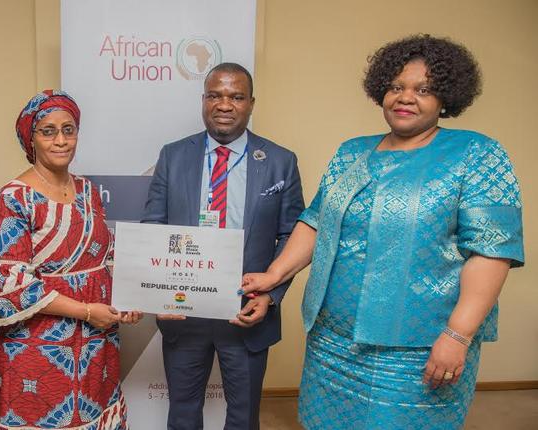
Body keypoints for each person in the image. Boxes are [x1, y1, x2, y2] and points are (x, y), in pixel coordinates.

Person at [242, 35, 524, 429]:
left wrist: (458, 336)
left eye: (423, 89)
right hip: (333, 341)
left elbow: (491, 250)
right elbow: (316, 221)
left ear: (446, 96)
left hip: (418, 350)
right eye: (396, 87)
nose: (406, 98)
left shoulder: (475, 153)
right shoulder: (352, 152)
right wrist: (274, 276)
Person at [142, 62, 305, 429]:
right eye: (215, 95)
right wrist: (160, 295)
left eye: (236, 96)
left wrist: (270, 295)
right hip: (184, 311)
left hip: (247, 312)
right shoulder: (173, 155)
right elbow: (155, 226)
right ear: (203, 100)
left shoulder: (280, 161)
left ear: (251, 103)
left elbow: (293, 235)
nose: (224, 104)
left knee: (244, 416)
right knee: (182, 414)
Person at [0, 90, 142, 430]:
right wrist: (85, 311)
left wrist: (127, 300)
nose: (61, 140)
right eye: (48, 131)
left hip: (98, 344)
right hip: (35, 349)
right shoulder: (10, 200)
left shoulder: (89, 192)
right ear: (31, 139)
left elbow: (104, 257)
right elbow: (11, 288)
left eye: (69, 130)